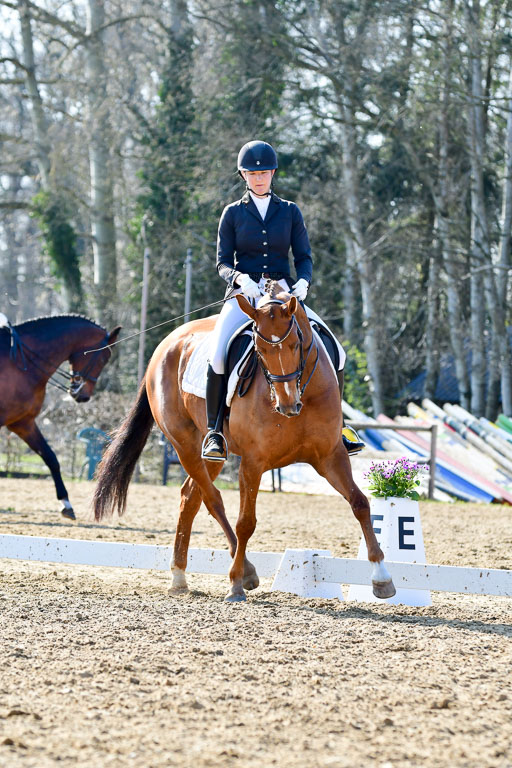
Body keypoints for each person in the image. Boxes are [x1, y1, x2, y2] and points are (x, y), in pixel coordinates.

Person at [202, 140, 365, 461]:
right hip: (244, 297)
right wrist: (239, 279)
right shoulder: (232, 213)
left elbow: (303, 256)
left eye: (264, 172)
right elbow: (222, 261)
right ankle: (214, 432)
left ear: (272, 173)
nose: (259, 178)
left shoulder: (289, 211)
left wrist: (302, 283)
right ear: (243, 176)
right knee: (219, 352)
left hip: (284, 296)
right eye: (252, 173)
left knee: (338, 352)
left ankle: (340, 427)